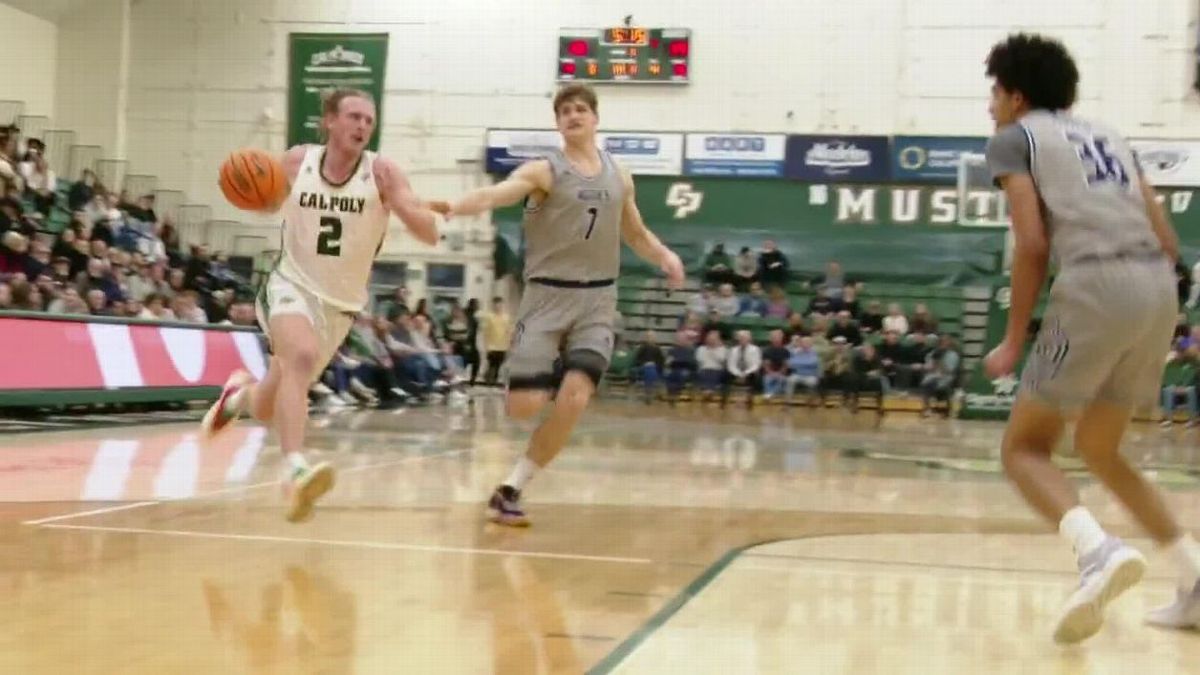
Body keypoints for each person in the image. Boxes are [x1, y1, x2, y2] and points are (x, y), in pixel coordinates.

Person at [980, 34, 1200, 644]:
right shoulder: (1109, 136)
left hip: (1096, 284)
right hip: (1158, 287)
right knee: (1101, 447)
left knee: (1023, 450)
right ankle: (1194, 579)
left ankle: (1097, 552)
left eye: (994, 92)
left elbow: (1031, 244)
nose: (990, 105)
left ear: (1016, 95)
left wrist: (1013, 338)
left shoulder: (1013, 138)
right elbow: (1166, 236)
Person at [436, 83, 684, 526]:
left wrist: (665, 255)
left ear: (595, 118)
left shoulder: (619, 175)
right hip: (546, 297)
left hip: (597, 300)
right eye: (565, 110)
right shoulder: (544, 170)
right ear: (558, 122)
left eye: (581, 109)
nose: (573, 115)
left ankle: (510, 488)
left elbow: (636, 234)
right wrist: (457, 205)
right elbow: (498, 194)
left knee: (576, 396)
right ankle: (542, 371)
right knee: (524, 407)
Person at [199, 88, 442, 522]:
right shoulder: (297, 161)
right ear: (330, 121)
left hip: (340, 306)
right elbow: (268, 201)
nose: (362, 125)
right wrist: (250, 189)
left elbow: (428, 233)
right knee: (302, 356)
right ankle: (294, 470)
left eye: (369, 119)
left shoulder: (382, 172)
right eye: (353, 116)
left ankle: (240, 394)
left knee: (268, 405)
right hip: (290, 284)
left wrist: (407, 208)